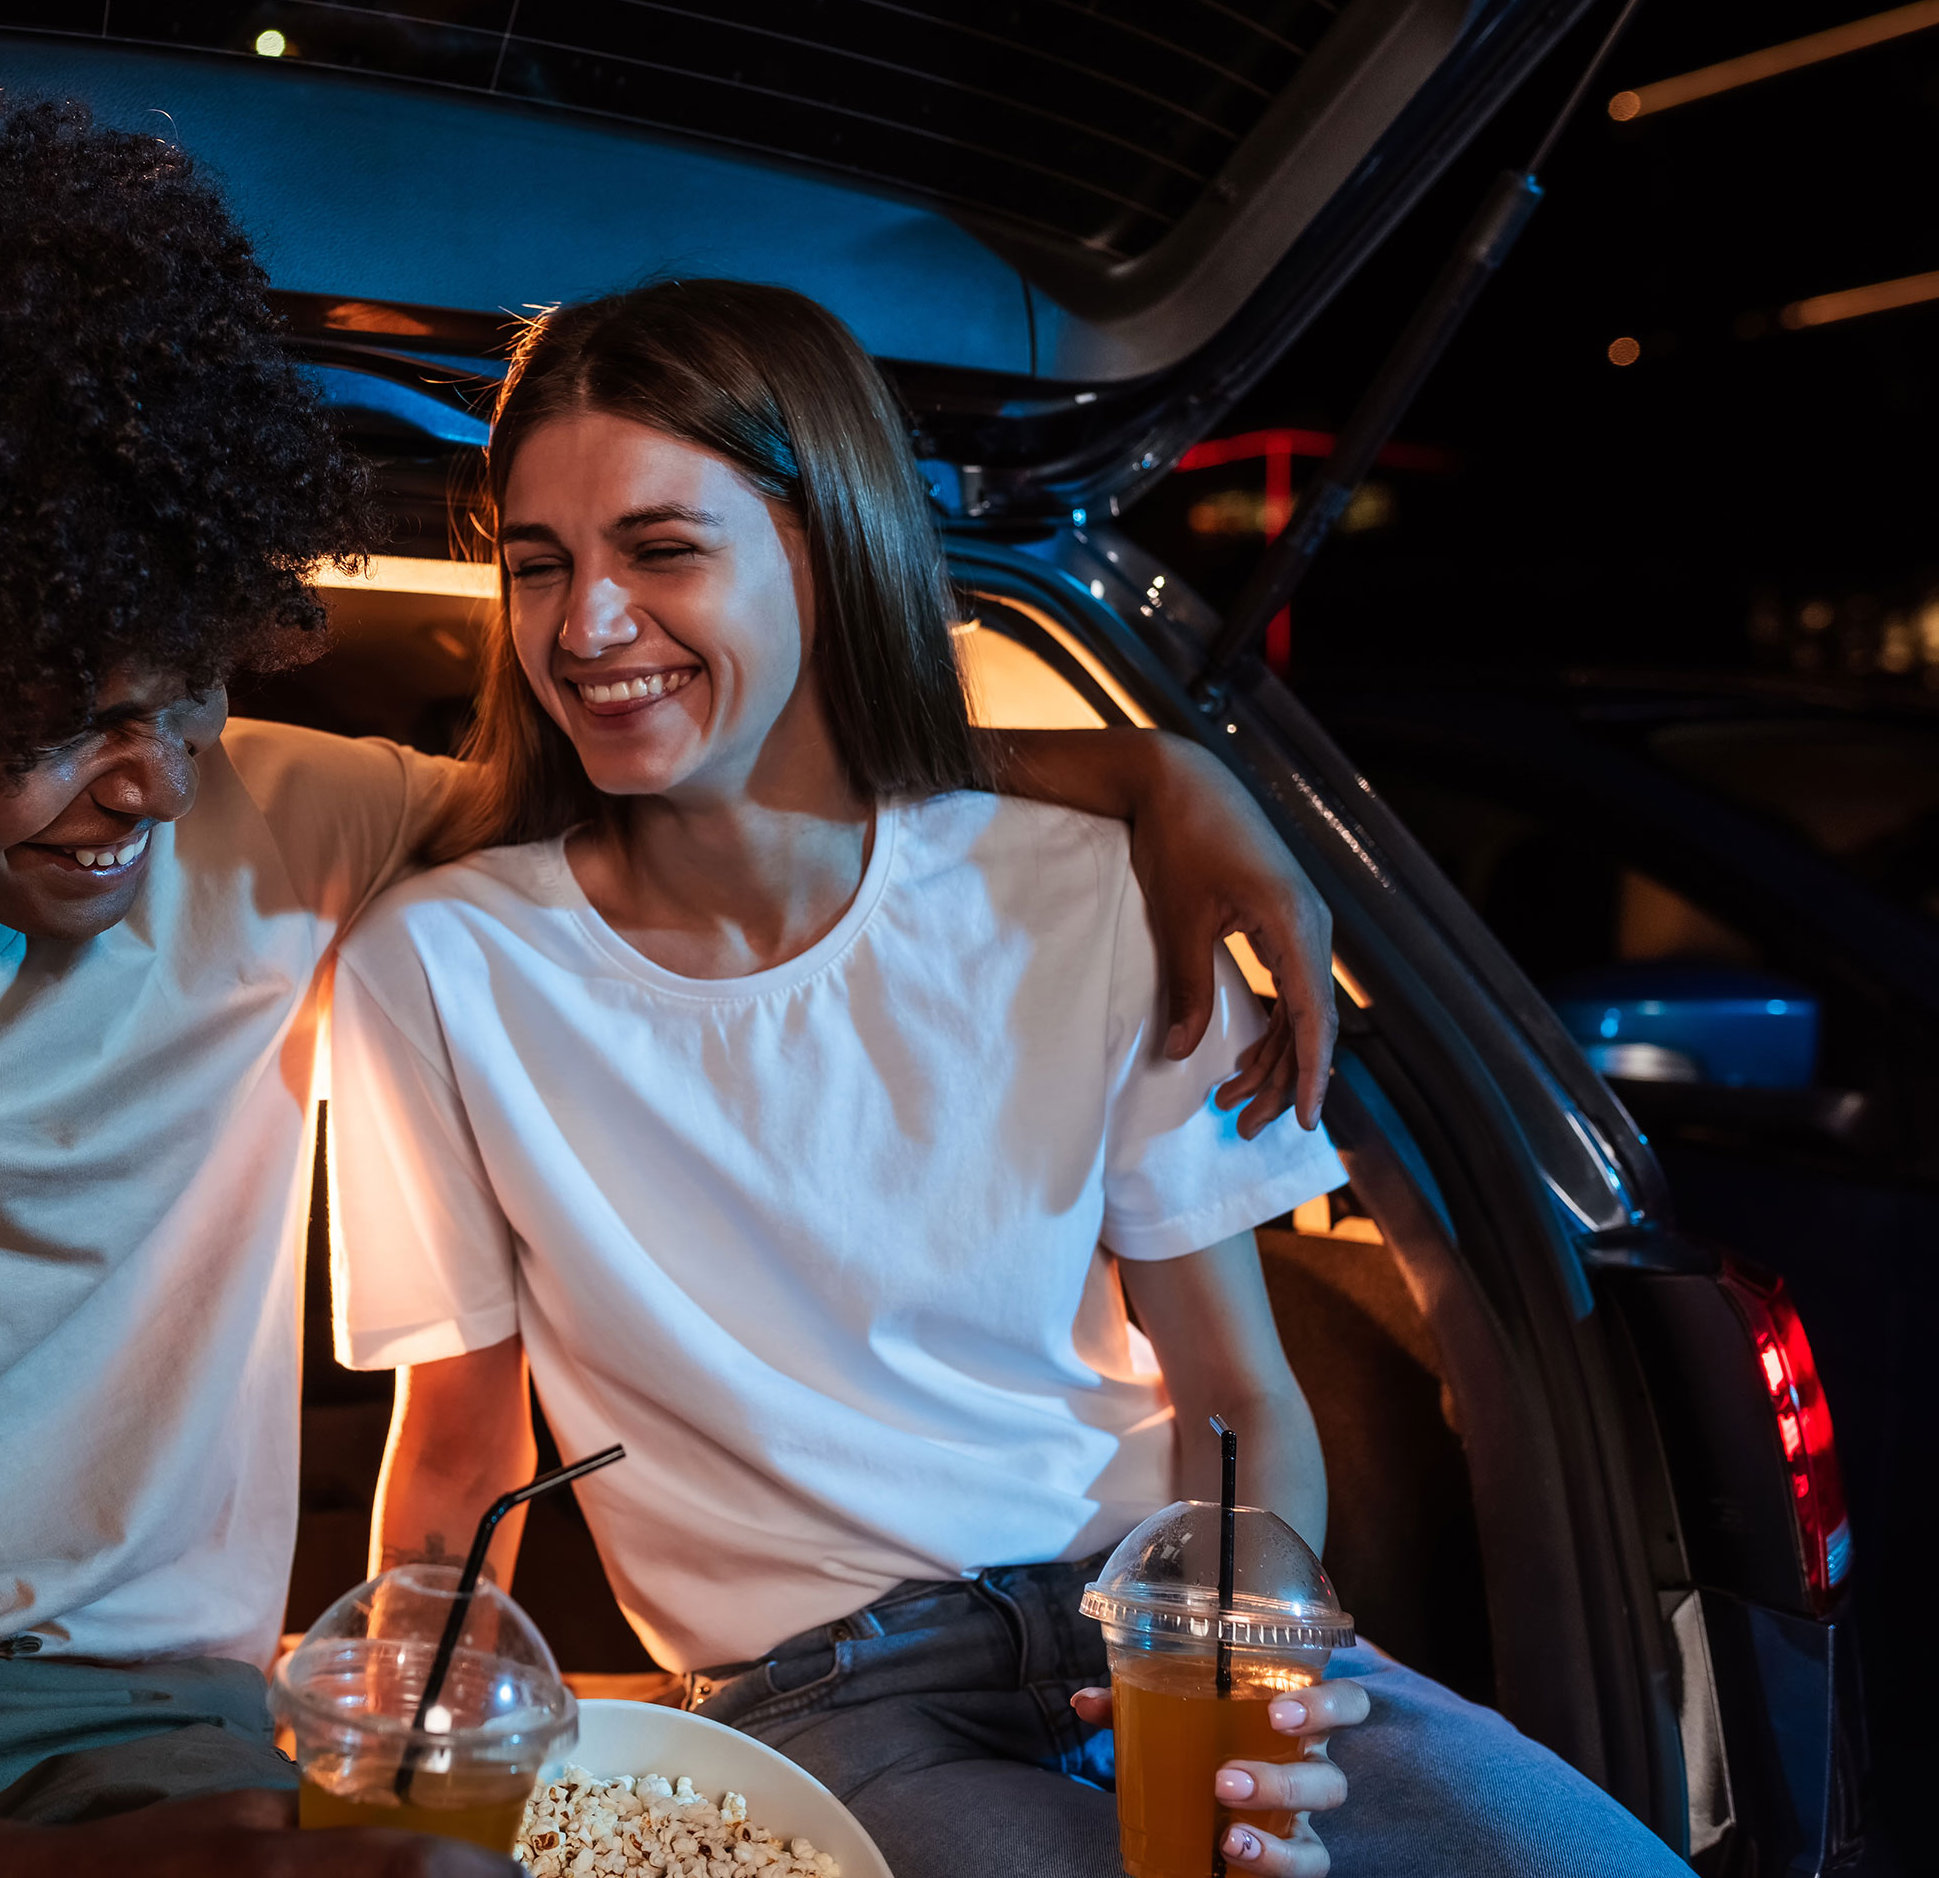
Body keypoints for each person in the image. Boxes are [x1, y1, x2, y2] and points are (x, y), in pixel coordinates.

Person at [0, 104, 1337, 1878]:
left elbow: (713, 785)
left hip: (136, 1750)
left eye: (196, 690)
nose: (148, 786)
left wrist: (1142, 776)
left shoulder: (273, 823)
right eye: (61, 718)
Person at [326, 280, 1694, 1878]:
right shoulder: (438, 968)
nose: (586, 627)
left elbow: (1242, 1401)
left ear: (824, 556)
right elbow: (454, 1456)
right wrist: (399, 1777)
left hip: (1161, 1618)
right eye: (540, 566)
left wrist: (1257, 1681)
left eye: (662, 550)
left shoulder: (1089, 891)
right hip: (823, 1702)